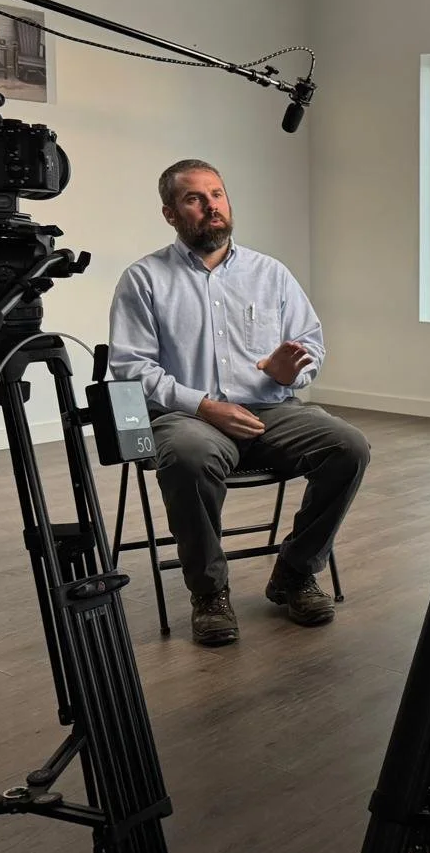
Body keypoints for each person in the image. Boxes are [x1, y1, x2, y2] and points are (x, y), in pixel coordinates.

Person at [109, 159, 371, 646]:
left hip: (271, 411)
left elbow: (310, 344)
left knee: (348, 446)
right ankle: (209, 592)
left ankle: (295, 572)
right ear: (170, 214)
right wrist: (205, 406)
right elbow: (131, 368)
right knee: (188, 455)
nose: (211, 206)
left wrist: (292, 371)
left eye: (217, 194)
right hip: (187, 416)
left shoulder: (270, 273)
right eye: (194, 198)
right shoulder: (144, 279)